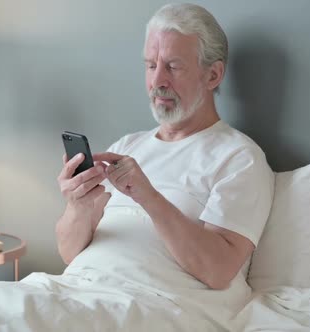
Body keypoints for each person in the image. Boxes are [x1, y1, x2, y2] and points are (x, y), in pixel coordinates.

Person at [55, 2, 274, 298]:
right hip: (75, 289)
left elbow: (219, 271)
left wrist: (148, 196)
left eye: (173, 66)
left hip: (151, 302)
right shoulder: (127, 146)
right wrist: (77, 205)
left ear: (213, 75)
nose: (158, 81)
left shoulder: (239, 158)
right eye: (150, 65)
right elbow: (69, 253)